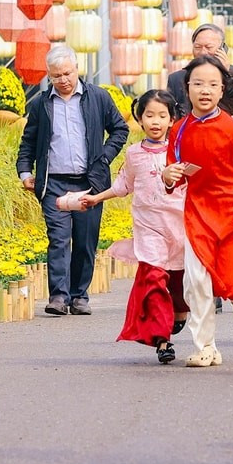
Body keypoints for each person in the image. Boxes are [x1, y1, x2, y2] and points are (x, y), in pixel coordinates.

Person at [163, 55, 233, 367]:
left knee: (228, 281)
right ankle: (205, 346)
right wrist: (168, 176)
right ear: (187, 88)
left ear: (222, 91)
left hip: (232, 212)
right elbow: (171, 172)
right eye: (198, 84)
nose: (204, 90)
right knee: (195, 281)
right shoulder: (178, 130)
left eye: (212, 85)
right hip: (197, 214)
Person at [16, 44, 129, 317]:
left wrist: (104, 157)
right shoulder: (42, 104)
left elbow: (119, 129)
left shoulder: (98, 97)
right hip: (53, 182)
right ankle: (58, 296)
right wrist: (25, 172)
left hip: (90, 182)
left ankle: (79, 295)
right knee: (58, 239)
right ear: (49, 76)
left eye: (67, 73)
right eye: (56, 76)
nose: (63, 80)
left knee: (85, 240)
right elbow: (28, 142)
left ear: (77, 69)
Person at [81, 90, 188, 363]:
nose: (155, 121)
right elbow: (123, 186)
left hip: (180, 228)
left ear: (172, 119)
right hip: (148, 228)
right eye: (149, 115)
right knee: (152, 279)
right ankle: (163, 341)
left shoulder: (181, 150)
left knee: (178, 285)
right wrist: (96, 197)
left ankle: (178, 314)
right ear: (139, 119)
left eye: (162, 116)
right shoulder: (134, 153)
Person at [165, 24, 233, 117]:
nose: (203, 52)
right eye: (197, 47)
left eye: (209, 47)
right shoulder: (176, 79)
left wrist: (226, 75)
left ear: (222, 49)